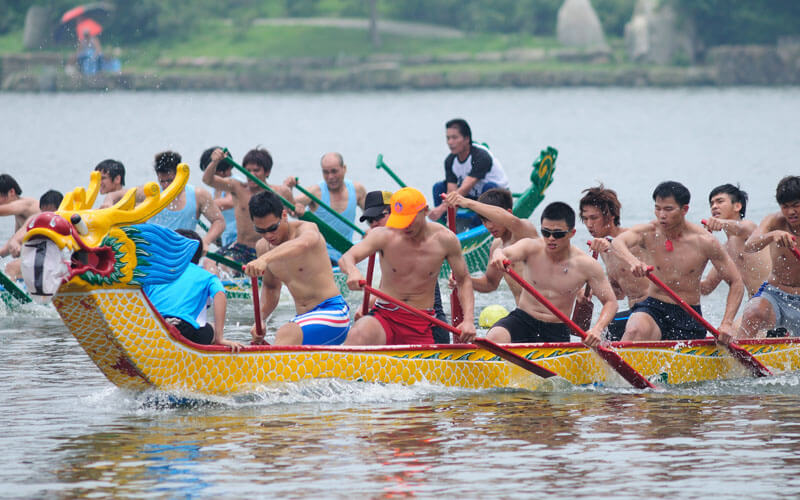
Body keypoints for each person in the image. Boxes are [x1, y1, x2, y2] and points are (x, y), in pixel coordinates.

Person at [339, 187, 476, 345]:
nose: (405, 227)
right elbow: (347, 258)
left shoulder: (445, 239)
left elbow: (463, 280)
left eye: (409, 220)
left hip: (422, 322)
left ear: (425, 211)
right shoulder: (383, 235)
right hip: (386, 316)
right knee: (358, 333)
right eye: (401, 221)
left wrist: (468, 321)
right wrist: (353, 271)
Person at [611, 181, 744, 342]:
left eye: (668, 209)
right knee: (635, 329)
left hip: (688, 313)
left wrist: (727, 323)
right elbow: (617, 243)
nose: (661, 215)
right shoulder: (649, 232)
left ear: (684, 209)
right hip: (653, 307)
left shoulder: (704, 241)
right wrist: (633, 261)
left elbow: (736, 282)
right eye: (658, 208)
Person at [486, 202, 616, 346]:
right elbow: (504, 252)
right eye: (546, 233)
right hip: (523, 320)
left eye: (558, 234)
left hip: (556, 329)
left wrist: (597, 329)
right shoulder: (530, 247)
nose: (551, 238)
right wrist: (498, 254)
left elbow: (610, 302)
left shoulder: (586, 265)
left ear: (571, 233)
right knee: (494, 337)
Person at [244, 191, 351, 346]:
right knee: (266, 340)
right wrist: (260, 319)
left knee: (286, 332)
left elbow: (303, 244)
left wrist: (264, 259)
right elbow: (271, 287)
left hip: (333, 311)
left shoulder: (306, 229)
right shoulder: (262, 247)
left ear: (284, 215)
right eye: (261, 231)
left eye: (272, 228)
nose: (268, 235)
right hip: (303, 319)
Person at [359, 190, 451, 344]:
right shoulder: (386, 242)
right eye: (369, 221)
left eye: (378, 217)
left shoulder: (412, 241)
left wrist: (366, 306)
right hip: (398, 324)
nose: (374, 224)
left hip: (430, 327)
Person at [143, 229, 243, 352]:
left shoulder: (154, 272)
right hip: (182, 327)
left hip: (151, 326)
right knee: (210, 327)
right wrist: (219, 338)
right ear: (198, 255)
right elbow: (220, 294)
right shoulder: (207, 276)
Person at [730, 176, 800, 341]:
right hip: (776, 294)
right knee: (753, 311)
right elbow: (750, 245)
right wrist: (772, 235)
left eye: (796, 205)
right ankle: (740, 353)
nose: (791, 212)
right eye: (785, 207)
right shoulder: (774, 221)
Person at [443, 188, 539, 305]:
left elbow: (505, 217)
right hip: (522, 311)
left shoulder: (524, 230)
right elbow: (490, 283)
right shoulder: (497, 244)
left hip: (545, 312)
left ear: (509, 213)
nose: (489, 226)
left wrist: (467, 202)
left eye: (492, 220)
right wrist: (463, 279)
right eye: (484, 221)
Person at [579, 185, 649, 341]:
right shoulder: (603, 248)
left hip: (654, 310)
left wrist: (611, 245)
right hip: (635, 311)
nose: (589, 224)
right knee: (596, 331)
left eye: (594, 218)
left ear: (611, 216)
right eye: (585, 218)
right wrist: (593, 291)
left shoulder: (632, 238)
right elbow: (618, 293)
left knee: (606, 328)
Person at [203, 147, 294, 265]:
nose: (251, 175)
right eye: (248, 171)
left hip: (268, 250)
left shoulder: (281, 192)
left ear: (267, 172)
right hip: (241, 248)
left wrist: (293, 195)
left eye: (256, 170)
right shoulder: (237, 187)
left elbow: (294, 213)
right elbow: (207, 180)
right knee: (209, 262)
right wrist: (215, 162)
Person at [284, 152, 367, 264]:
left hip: (345, 253)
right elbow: (290, 208)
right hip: (319, 255)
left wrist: (371, 231)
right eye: (325, 172)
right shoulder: (315, 192)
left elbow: (372, 217)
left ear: (344, 169)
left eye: (334, 171)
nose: (330, 177)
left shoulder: (357, 190)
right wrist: (287, 189)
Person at [428, 118, 509, 222]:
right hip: (473, 196)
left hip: (496, 198)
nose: (450, 142)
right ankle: (443, 224)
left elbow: (465, 188)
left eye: (454, 138)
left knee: (489, 188)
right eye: (448, 138)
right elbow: (451, 193)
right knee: (438, 187)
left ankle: (477, 225)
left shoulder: (481, 156)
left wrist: (440, 209)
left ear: (466, 139)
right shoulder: (450, 160)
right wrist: (449, 218)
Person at [701, 184, 771, 298]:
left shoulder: (749, 229)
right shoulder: (725, 249)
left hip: (777, 299)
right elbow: (706, 287)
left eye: (720, 201)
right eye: (712, 204)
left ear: (737, 206)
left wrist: (722, 223)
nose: (714, 206)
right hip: (755, 302)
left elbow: (740, 228)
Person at [148, 151, 225, 249]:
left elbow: (219, 221)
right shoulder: (148, 194)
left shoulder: (199, 195)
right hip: (154, 252)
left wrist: (205, 242)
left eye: (170, 180)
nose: (166, 186)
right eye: (162, 181)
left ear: (180, 175)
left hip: (183, 253)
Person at [1, 189, 63, 280]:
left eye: (51, 213)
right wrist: (15, 245)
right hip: (41, 260)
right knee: (11, 267)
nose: (47, 217)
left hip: (61, 262)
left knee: (13, 268)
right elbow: (16, 239)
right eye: (44, 213)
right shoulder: (35, 219)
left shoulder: (68, 220)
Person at [199, 147, 237, 248]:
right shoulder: (216, 188)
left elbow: (229, 202)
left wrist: (199, 205)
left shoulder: (235, 182)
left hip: (238, 240)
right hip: (226, 240)